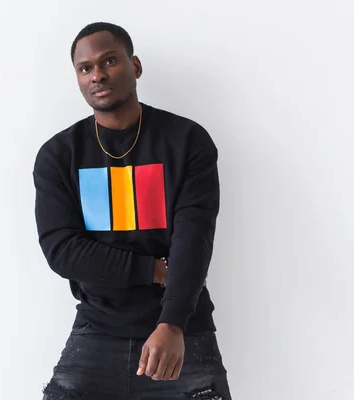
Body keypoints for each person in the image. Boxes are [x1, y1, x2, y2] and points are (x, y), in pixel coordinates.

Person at [33, 22, 231, 400]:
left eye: (109, 61)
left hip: (181, 327)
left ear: (135, 66)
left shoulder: (186, 141)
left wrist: (172, 323)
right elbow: (62, 250)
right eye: (85, 68)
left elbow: (194, 239)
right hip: (98, 327)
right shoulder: (59, 155)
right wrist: (154, 270)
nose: (98, 75)